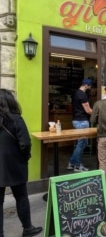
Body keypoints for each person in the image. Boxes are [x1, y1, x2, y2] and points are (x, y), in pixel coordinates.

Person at [0, 89, 42, 237]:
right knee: (21, 196)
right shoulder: (16, 119)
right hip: (15, 165)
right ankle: (27, 228)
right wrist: (25, 158)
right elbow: (25, 143)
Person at [67, 78, 93, 172]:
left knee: (82, 142)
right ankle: (77, 165)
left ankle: (72, 163)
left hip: (76, 120)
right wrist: (98, 112)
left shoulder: (76, 93)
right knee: (81, 143)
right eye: (89, 86)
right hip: (82, 121)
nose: (90, 88)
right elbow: (88, 110)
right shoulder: (83, 95)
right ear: (86, 85)